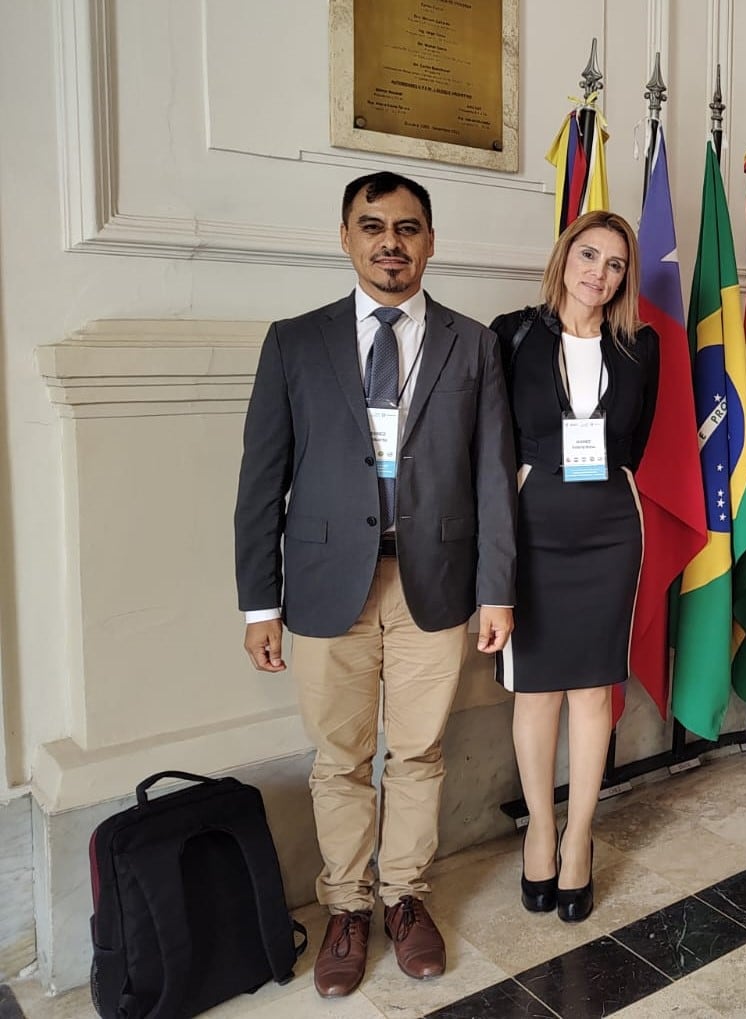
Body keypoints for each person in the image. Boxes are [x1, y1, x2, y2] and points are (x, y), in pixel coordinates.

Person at [234, 171, 516, 997]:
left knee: (422, 749)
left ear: (431, 240)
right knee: (341, 757)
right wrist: (260, 601)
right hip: (326, 587)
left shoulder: (473, 344)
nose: (391, 241)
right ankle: (347, 907)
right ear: (346, 237)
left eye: (408, 227)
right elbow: (262, 478)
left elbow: (495, 479)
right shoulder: (294, 341)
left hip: (435, 582)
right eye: (373, 225)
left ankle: (405, 897)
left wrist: (496, 590)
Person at [488, 210, 659, 924]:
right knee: (537, 692)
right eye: (588, 254)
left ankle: (580, 835)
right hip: (531, 526)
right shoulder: (512, 334)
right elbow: (490, 446)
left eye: (615, 263)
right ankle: (540, 824)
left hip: (612, 529)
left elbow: (637, 441)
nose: (599, 272)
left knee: (593, 691)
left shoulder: (638, 347)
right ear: (564, 256)